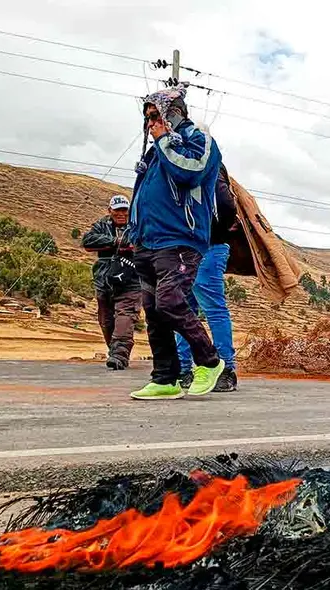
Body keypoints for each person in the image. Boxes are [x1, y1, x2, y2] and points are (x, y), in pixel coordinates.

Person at [127, 85, 224, 400]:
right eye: (147, 118)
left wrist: (165, 139)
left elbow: (190, 172)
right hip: (148, 242)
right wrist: (134, 231)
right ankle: (165, 378)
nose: (150, 123)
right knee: (154, 310)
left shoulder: (200, 142)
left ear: (174, 113)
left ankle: (210, 361)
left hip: (180, 239)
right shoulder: (156, 152)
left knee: (170, 301)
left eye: (155, 115)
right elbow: (143, 196)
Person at [177, 165, 239, 392]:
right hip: (202, 244)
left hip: (203, 244)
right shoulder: (206, 164)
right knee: (190, 308)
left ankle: (221, 369)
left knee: (194, 308)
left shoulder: (200, 164)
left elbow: (224, 203)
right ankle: (190, 367)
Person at [83, 194, 142, 370]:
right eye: (117, 210)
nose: (121, 214)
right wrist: (116, 242)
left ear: (129, 211)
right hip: (104, 281)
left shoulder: (137, 226)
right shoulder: (101, 225)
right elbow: (87, 241)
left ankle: (119, 354)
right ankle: (115, 352)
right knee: (106, 321)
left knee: (126, 315)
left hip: (131, 280)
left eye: (124, 210)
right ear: (110, 211)